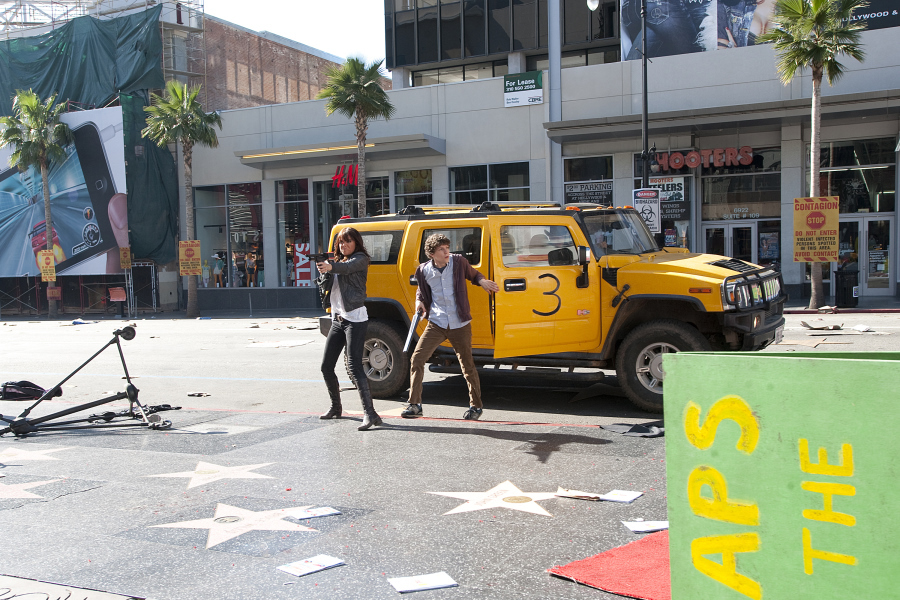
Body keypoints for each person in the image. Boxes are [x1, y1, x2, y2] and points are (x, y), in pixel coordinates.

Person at [403, 233, 500, 420]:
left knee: (467, 365)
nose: (446, 251)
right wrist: (419, 302)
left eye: (447, 247)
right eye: (441, 249)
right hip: (437, 323)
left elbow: (474, 274)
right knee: (417, 359)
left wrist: (482, 281)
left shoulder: (458, 262)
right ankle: (415, 405)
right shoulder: (423, 270)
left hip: (459, 323)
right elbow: (421, 290)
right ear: (432, 253)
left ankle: (476, 407)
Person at [316, 227, 383, 431]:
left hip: (355, 318)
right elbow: (328, 285)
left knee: (354, 366)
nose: (344, 245)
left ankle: (370, 413)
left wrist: (330, 267)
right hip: (338, 319)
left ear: (356, 243)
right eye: (341, 242)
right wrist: (323, 273)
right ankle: (336, 407)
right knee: (326, 366)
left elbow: (346, 269)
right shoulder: (338, 262)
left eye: (348, 241)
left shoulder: (360, 259)